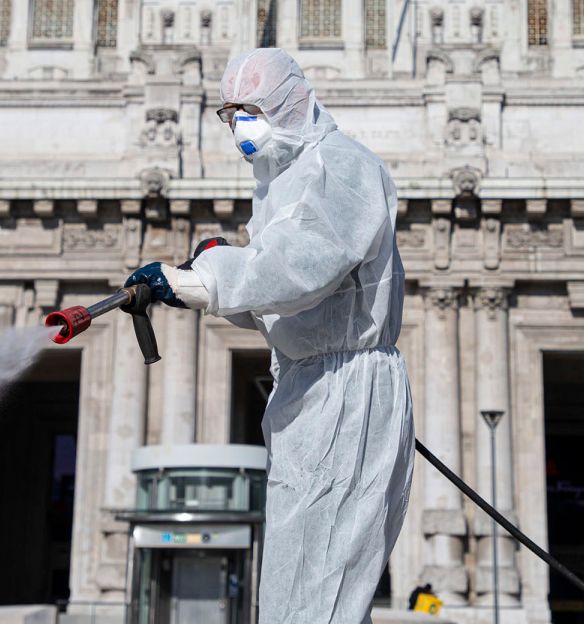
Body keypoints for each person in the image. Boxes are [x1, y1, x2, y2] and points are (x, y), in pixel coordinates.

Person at [124, 48, 414, 623]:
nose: (238, 128)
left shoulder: (340, 164)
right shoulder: (281, 182)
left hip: (346, 393)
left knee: (322, 580)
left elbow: (300, 265)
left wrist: (203, 278)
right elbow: (278, 303)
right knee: (294, 576)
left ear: (287, 102)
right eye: (228, 115)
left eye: (247, 110)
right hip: (309, 388)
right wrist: (204, 281)